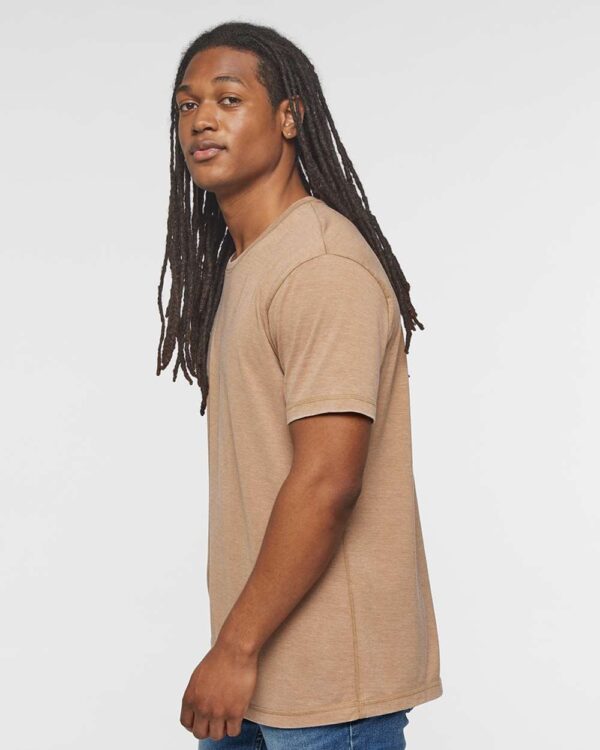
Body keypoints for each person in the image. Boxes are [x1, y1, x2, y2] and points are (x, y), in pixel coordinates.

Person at [156, 20, 443, 749]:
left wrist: (234, 648)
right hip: (261, 674)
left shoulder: (320, 266)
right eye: (187, 105)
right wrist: (237, 650)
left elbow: (327, 482)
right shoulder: (250, 264)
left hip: (327, 694)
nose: (202, 120)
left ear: (289, 117)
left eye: (229, 98)